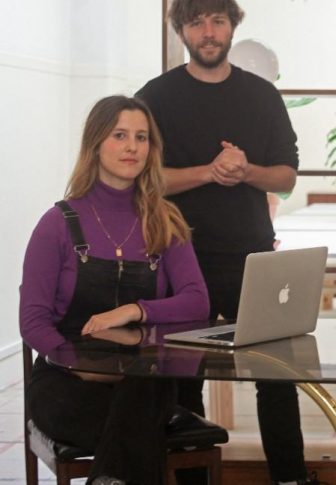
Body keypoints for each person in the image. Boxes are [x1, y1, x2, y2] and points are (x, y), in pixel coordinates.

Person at [137, 0, 311, 485]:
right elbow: (146, 179)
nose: (207, 32)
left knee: (275, 376)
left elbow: (285, 175)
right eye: (196, 23)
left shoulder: (261, 96)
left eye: (217, 21)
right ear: (181, 32)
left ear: (232, 26)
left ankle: (290, 478)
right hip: (178, 256)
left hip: (250, 254)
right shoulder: (155, 96)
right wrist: (209, 172)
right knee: (183, 379)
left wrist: (246, 171)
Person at [20, 95, 210, 485]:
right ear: (95, 144)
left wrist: (134, 310)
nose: (132, 147)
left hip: (139, 378)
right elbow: (33, 321)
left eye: (142, 137)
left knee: (146, 386)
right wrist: (78, 365)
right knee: (147, 418)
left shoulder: (165, 220)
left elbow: (197, 301)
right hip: (67, 382)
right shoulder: (56, 223)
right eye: (120, 135)